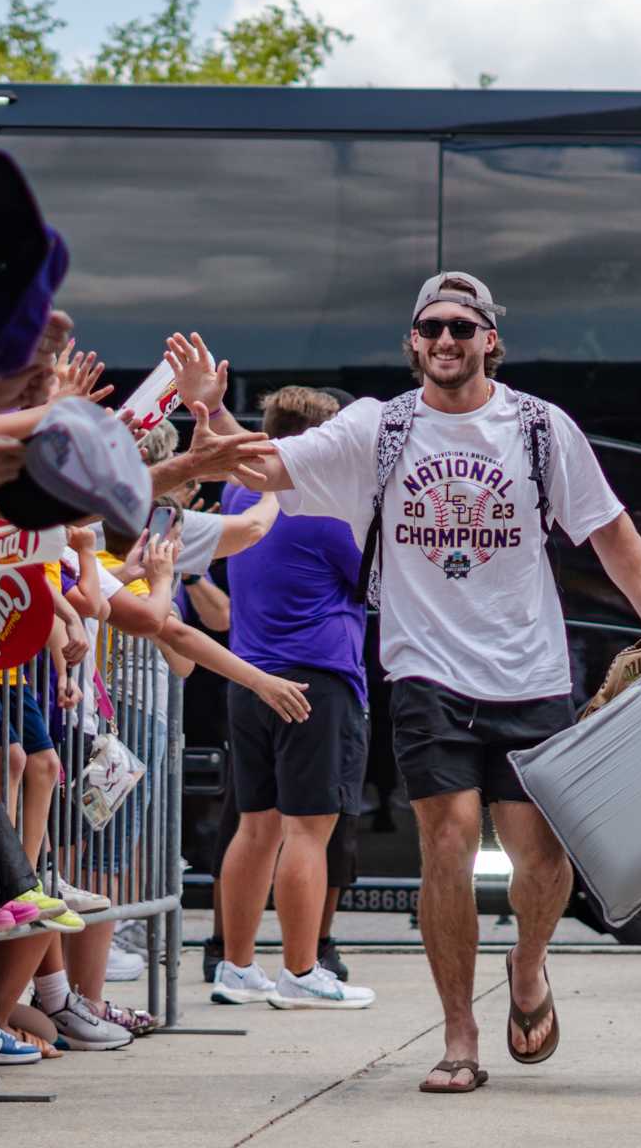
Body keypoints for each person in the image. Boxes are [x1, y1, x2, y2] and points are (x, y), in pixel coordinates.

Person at [231, 272, 641, 1095]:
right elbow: (264, 470)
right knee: (448, 842)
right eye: (431, 326)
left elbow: (610, 531)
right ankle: (459, 1034)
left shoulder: (541, 428)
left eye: (462, 327)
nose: (446, 340)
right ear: (412, 342)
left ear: (490, 341)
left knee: (541, 856)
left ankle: (530, 967)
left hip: (531, 671)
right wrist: (205, 413)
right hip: (426, 671)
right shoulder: (381, 427)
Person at [210, 386, 376, 1009]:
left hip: (249, 680)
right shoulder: (322, 513)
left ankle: (236, 967)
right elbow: (374, 580)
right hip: (316, 683)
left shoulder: (242, 494)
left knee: (256, 829)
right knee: (310, 832)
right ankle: (302, 972)